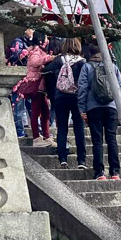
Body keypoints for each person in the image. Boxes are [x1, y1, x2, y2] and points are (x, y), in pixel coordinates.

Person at [77, 43, 121, 180]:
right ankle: (115, 172)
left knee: (97, 140)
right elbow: (120, 86)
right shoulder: (112, 67)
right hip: (111, 106)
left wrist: (82, 108)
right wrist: (120, 104)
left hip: (93, 107)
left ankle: (99, 172)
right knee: (112, 138)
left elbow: (82, 89)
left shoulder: (86, 67)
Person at [43, 37, 87, 168]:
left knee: (62, 128)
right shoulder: (82, 62)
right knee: (79, 128)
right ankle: (81, 160)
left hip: (60, 96)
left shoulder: (58, 60)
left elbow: (46, 71)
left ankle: (62, 158)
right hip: (77, 97)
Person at [18, 30, 55, 147]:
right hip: (36, 85)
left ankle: (46, 136)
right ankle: (36, 138)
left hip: (40, 86)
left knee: (45, 112)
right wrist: (49, 58)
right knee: (36, 111)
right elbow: (34, 62)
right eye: (45, 38)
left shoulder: (37, 50)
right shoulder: (36, 51)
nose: (47, 40)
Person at [8, 27, 35, 138]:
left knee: (31, 106)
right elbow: (14, 57)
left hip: (28, 78)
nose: (32, 31)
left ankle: (36, 131)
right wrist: (26, 51)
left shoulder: (31, 42)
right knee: (19, 106)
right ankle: (19, 131)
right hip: (19, 79)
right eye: (30, 29)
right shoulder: (17, 42)